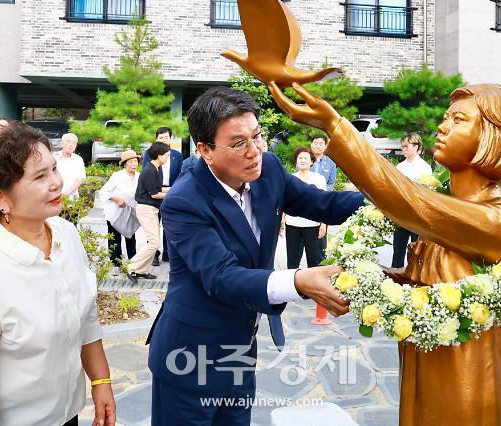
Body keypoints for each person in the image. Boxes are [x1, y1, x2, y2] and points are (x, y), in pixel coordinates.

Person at [268, 81, 501, 426]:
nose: (442, 126)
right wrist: (379, 281)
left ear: (493, 138)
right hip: (427, 353)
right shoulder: (450, 208)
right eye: (446, 117)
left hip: (467, 370)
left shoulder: (495, 221)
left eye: (459, 120)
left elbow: (407, 200)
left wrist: (335, 126)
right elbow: (434, 282)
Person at [147, 87, 363, 425]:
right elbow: (223, 277)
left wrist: (392, 202)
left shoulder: (269, 170)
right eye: (239, 143)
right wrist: (299, 281)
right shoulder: (184, 202)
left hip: (239, 350)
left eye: (257, 136)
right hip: (188, 355)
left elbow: (324, 205)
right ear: (205, 149)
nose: (254, 151)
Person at [0, 123, 115, 426]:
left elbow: (85, 314)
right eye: (40, 176)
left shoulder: (66, 234)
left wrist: (100, 381)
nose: (56, 183)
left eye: (53, 169)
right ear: (1, 198)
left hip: (68, 416)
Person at [127, 142, 170, 280]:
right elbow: (155, 194)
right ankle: (131, 267)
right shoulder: (150, 170)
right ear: (159, 155)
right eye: (166, 155)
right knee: (153, 243)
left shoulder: (154, 168)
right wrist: (172, 193)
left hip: (151, 209)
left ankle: (142, 270)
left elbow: (159, 188)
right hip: (146, 209)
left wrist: (173, 188)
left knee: (153, 243)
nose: (168, 157)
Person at [143, 127, 183, 265]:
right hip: (154, 194)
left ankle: (168, 253)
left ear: (171, 138)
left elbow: (181, 175)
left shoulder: (177, 155)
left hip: (171, 193)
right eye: (161, 138)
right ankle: (154, 254)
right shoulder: (149, 155)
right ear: (156, 140)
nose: (164, 140)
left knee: (170, 225)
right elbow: (146, 174)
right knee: (153, 226)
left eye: (166, 137)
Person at [392, 133, 432, 268]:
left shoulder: (424, 167)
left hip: (417, 213)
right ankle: (395, 276)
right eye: (402, 147)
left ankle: (415, 276)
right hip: (401, 213)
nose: (404, 149)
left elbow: (427, 191)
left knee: (417, 249)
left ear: (416, 147)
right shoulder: (400, 167)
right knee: (398, 248)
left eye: (407, 146)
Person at [283, 147, 327, 268]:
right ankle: (291, 284)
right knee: (292, 259)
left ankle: (315, 285)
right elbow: (284, 202)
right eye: (300, 158)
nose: (303, 160)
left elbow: (324, 202)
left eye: (306, 158)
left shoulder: (319, 179)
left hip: (313, 225)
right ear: (296, 161)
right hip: (293, 224)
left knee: (315, 259)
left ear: (312, 161)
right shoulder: (289, 179)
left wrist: (324, 224)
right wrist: (281, 223)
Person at [99, 149, 141, 266]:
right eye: (131, 161)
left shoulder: (139, 176)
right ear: (125, 163)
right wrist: (117, 199)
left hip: (130, 213)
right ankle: (116, 263)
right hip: (115, 213)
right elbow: (103, 192)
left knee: (131, 236)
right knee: (114, 239)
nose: (134, 164)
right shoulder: (117, 176)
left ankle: (133, 262)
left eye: (135, 161)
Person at [54, 132, 86, 198]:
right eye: (68, 142)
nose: (71, 145)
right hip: (54, 196)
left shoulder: (78, 159)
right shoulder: (53, 157)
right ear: (62, 143)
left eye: (74, 143)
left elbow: (80, 178)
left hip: (72, 198)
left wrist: (65, 194)